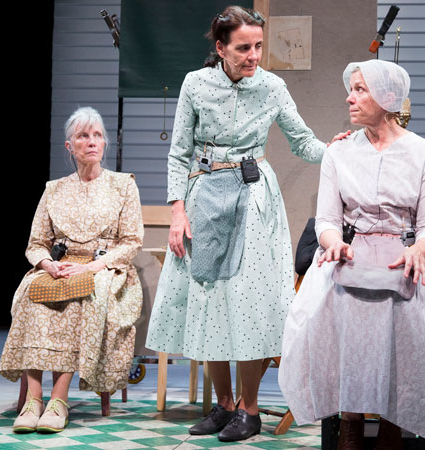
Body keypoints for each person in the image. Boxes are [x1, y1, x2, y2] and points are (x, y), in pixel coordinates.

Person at [145, 6, 344, 442]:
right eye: (243, 48)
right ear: (220, 48)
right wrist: (177, 213)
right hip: (204, 195)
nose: (253, 55)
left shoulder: (272, 86)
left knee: (249, 303)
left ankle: (250, 411)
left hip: (254, 199)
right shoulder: (196, 84)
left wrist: (340, 151)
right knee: (211, 298)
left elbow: (302, 141)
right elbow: (178, 152)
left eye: (257, 46)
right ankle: (224, 406)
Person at [279, 60, 425, 450]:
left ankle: (392, 429)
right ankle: (348, 424)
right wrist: (332, 242)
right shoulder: (339, 152)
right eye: (350, 89)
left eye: (360, 90)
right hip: (351, 257)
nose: (350, 98)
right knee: (319, 321)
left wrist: (419, 249)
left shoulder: (422, 152)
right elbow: (329, 219)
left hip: (404, 256)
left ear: (388, 97)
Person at [0, 107, 144, 433]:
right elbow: (36, 243)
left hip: (104, 268)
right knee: (29, 297)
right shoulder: (54, 189)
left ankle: (59, 400)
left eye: (96, 135)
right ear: (70, 146)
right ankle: (33, 400)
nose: (91, 142)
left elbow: (131, 241)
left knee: (82, 300)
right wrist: (48, 264)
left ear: (104, 143)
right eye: (82, 136)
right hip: (59, 266)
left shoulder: (123, 185)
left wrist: (93, 267)